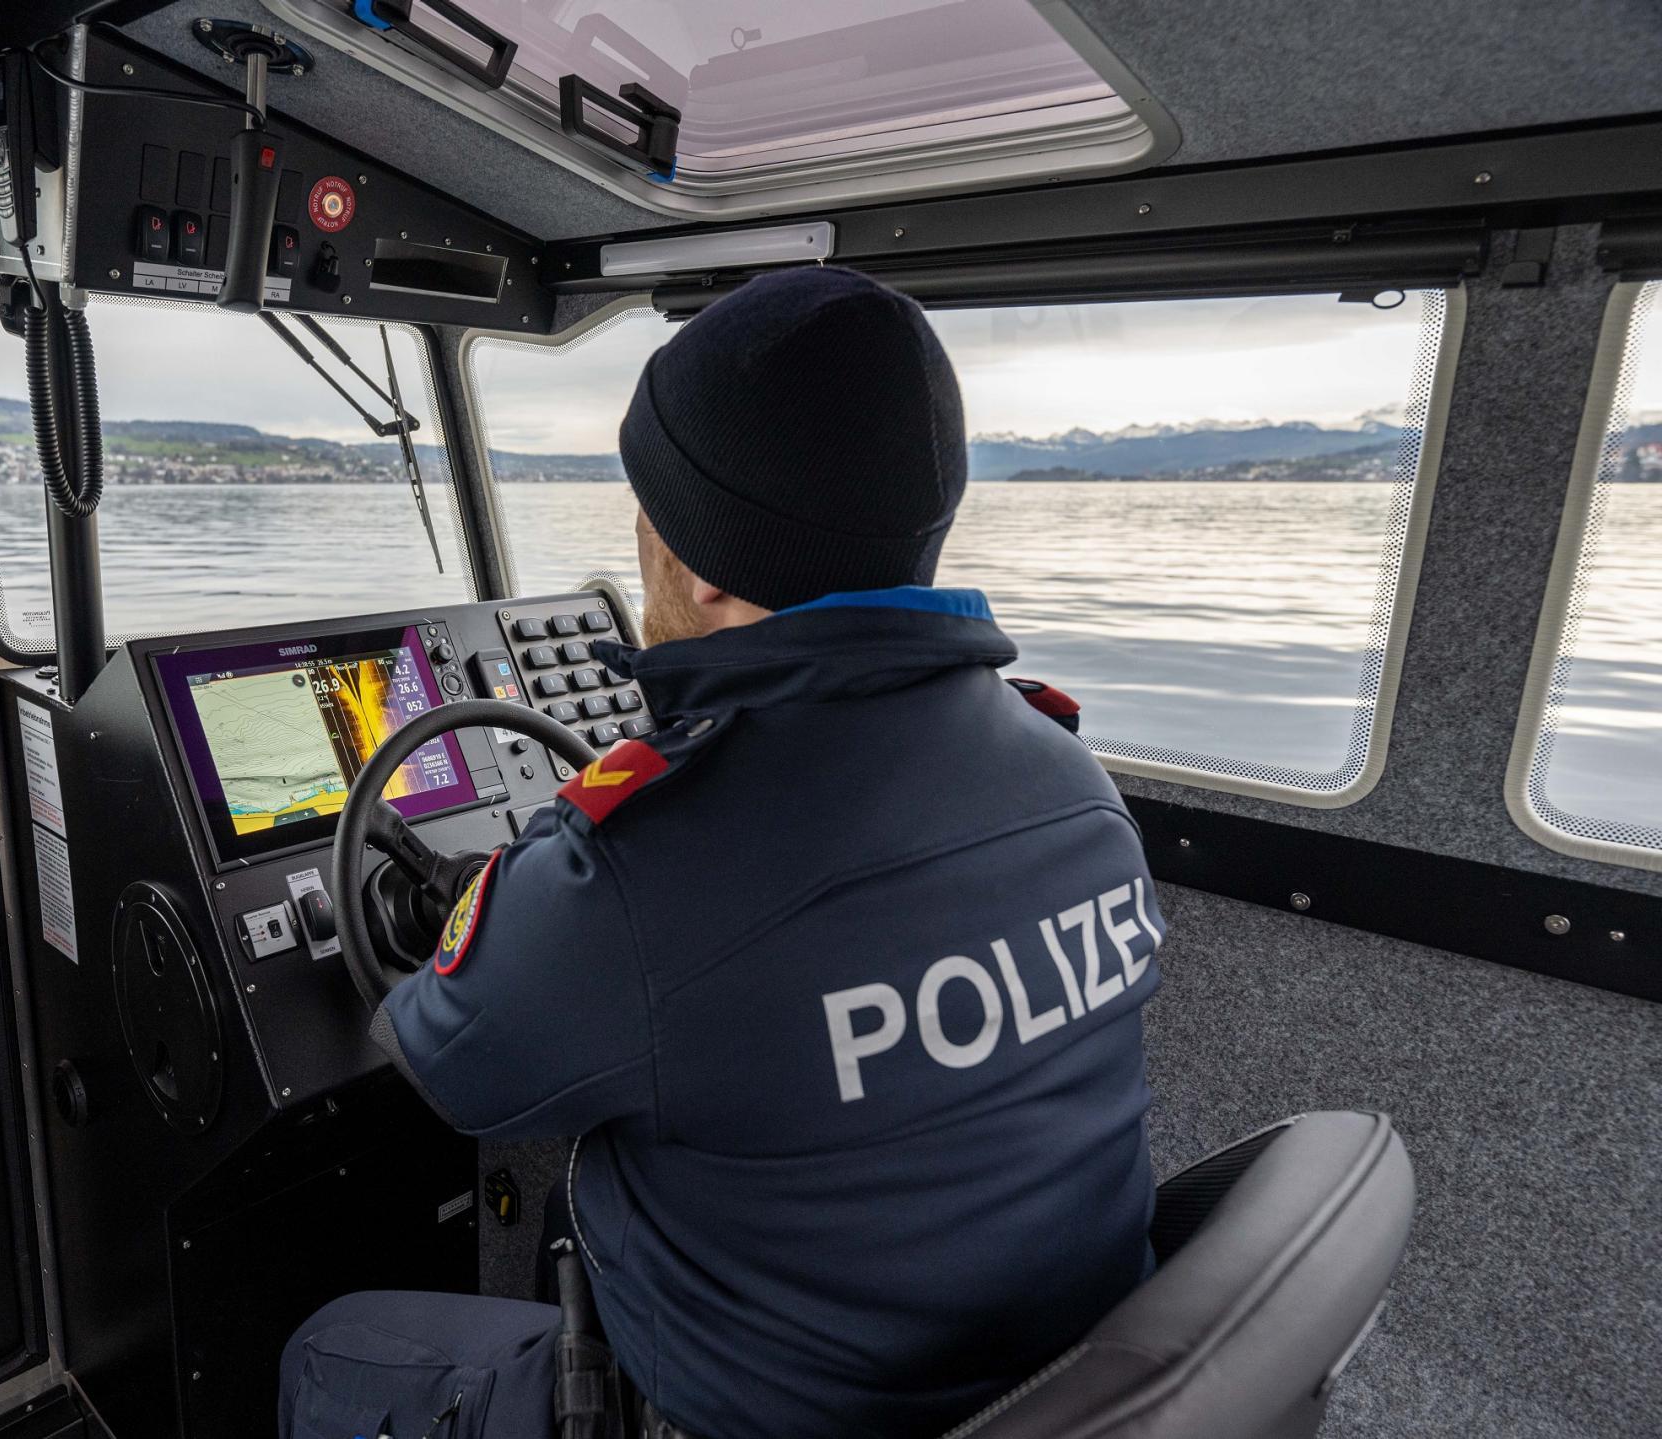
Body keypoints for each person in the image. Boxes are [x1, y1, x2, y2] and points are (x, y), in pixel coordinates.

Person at [277, 267, 1164, 1439]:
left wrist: (492, 887)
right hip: (1043, 1388)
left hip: (726, 1411)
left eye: (643, 509)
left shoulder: (656, 863)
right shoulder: (1071, 783)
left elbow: (455, 1065)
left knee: (328, 1345)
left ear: (700, 565)